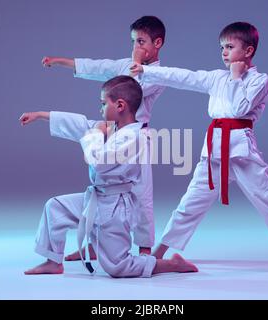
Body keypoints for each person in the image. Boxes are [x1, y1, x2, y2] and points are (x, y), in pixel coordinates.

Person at [130, 22, 268, 273]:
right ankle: (159, 252)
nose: (224, 52)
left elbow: (239, 109)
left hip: (242, 153)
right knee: (189, 204)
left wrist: (234, 77)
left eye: (230, 47)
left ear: (249, 51)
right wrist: (146, 70)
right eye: (222, 47)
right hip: (213, 152)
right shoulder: (216, 77)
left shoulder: (260, 80)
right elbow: (182, 76)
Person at [21, 75, 198, 277]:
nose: (100, 109)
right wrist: (42, 115)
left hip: (116, 209)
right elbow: (81, 125)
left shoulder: (135, 137)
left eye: (104, 104)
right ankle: (53, 262)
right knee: (55, 207)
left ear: (120, 105)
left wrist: (96, 133)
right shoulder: (113, 128)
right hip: (96, 199)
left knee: (117, 267)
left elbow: (100, 161)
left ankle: (170, 264)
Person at [41, 16, 167, 260]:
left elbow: (133, 90)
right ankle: (96, 243)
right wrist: (63, 62)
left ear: (158, 43)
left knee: (142, 193)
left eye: (141, 41)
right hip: (113, 130)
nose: (135, 47)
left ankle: (144, 248)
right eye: (133, 41)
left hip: (137, 136)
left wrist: (136, 62)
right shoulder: (125, 63)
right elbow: (99, 66)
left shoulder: (159, 74)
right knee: (103, 188)